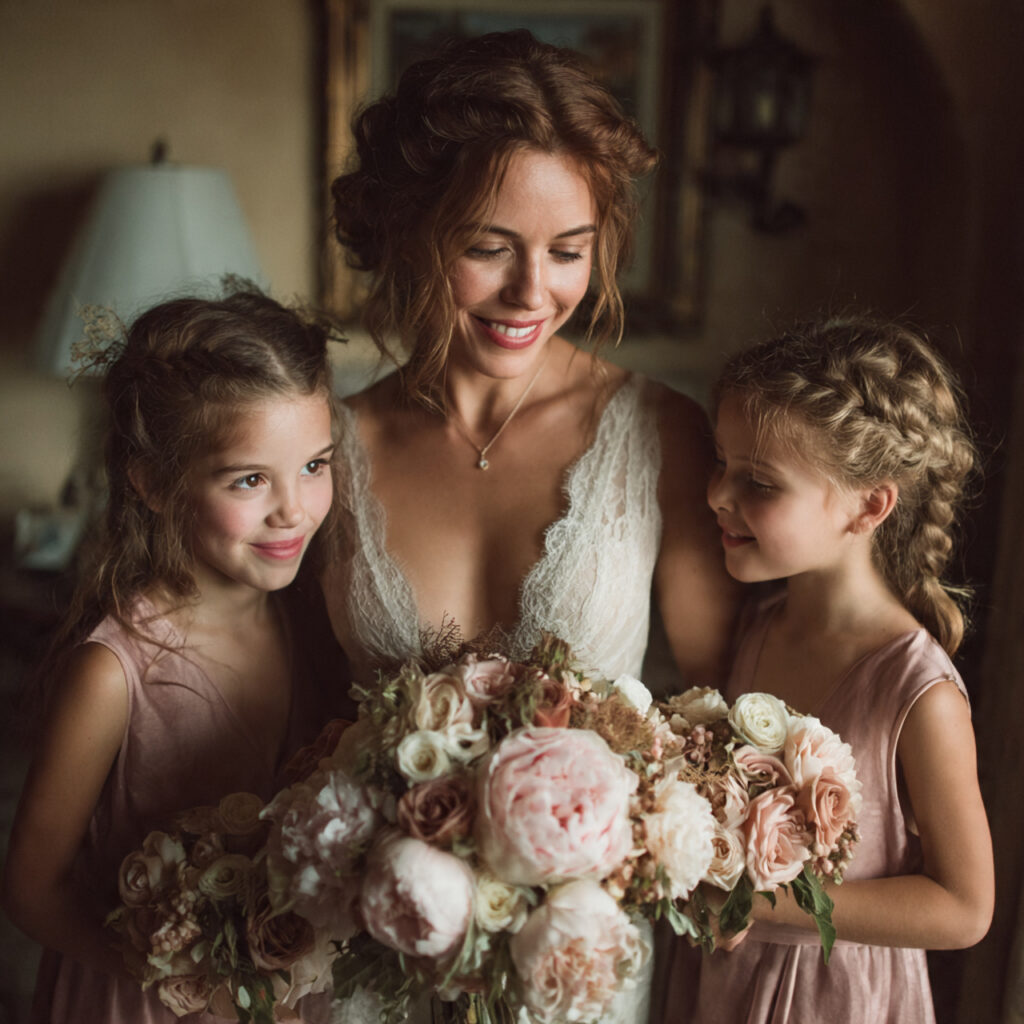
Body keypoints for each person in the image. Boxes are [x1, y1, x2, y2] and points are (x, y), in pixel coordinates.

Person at [323, 28, 739, 1023]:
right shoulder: (328, 446)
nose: (531, 293)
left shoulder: (658, 435)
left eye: (567, 251)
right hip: (371, 959)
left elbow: (728, 716)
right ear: (410, 230)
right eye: (487, 247)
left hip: (577, 973)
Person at [1, 288, 350, 1024]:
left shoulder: (316, 622)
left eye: (315, 465)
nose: (294, 509)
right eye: (250, 479)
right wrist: (187, 979)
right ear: (155, 482)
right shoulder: (111, 673)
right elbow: (31, 890)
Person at [660, 315, 994, 1022]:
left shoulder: (917, 692)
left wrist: (762, 901)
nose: (719, 494)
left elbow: (964, 909)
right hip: (727, 987)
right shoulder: (754, 628)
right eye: (722, 462)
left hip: (837, 997)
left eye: (759, 482)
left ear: (869, 506)